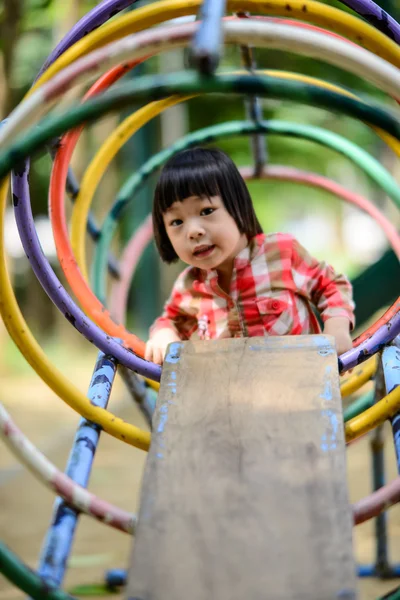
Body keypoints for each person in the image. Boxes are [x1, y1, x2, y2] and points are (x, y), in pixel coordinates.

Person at [145, 147, 354, 365]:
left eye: (206, 211)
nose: (193, 231)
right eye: (176, 222)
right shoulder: (189, 286)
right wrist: (163, 334)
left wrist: (337, 327)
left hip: (301, 385)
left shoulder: (281, 253)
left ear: (238, 204)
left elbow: (330, 284)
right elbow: (169, 320)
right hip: (231, 395)